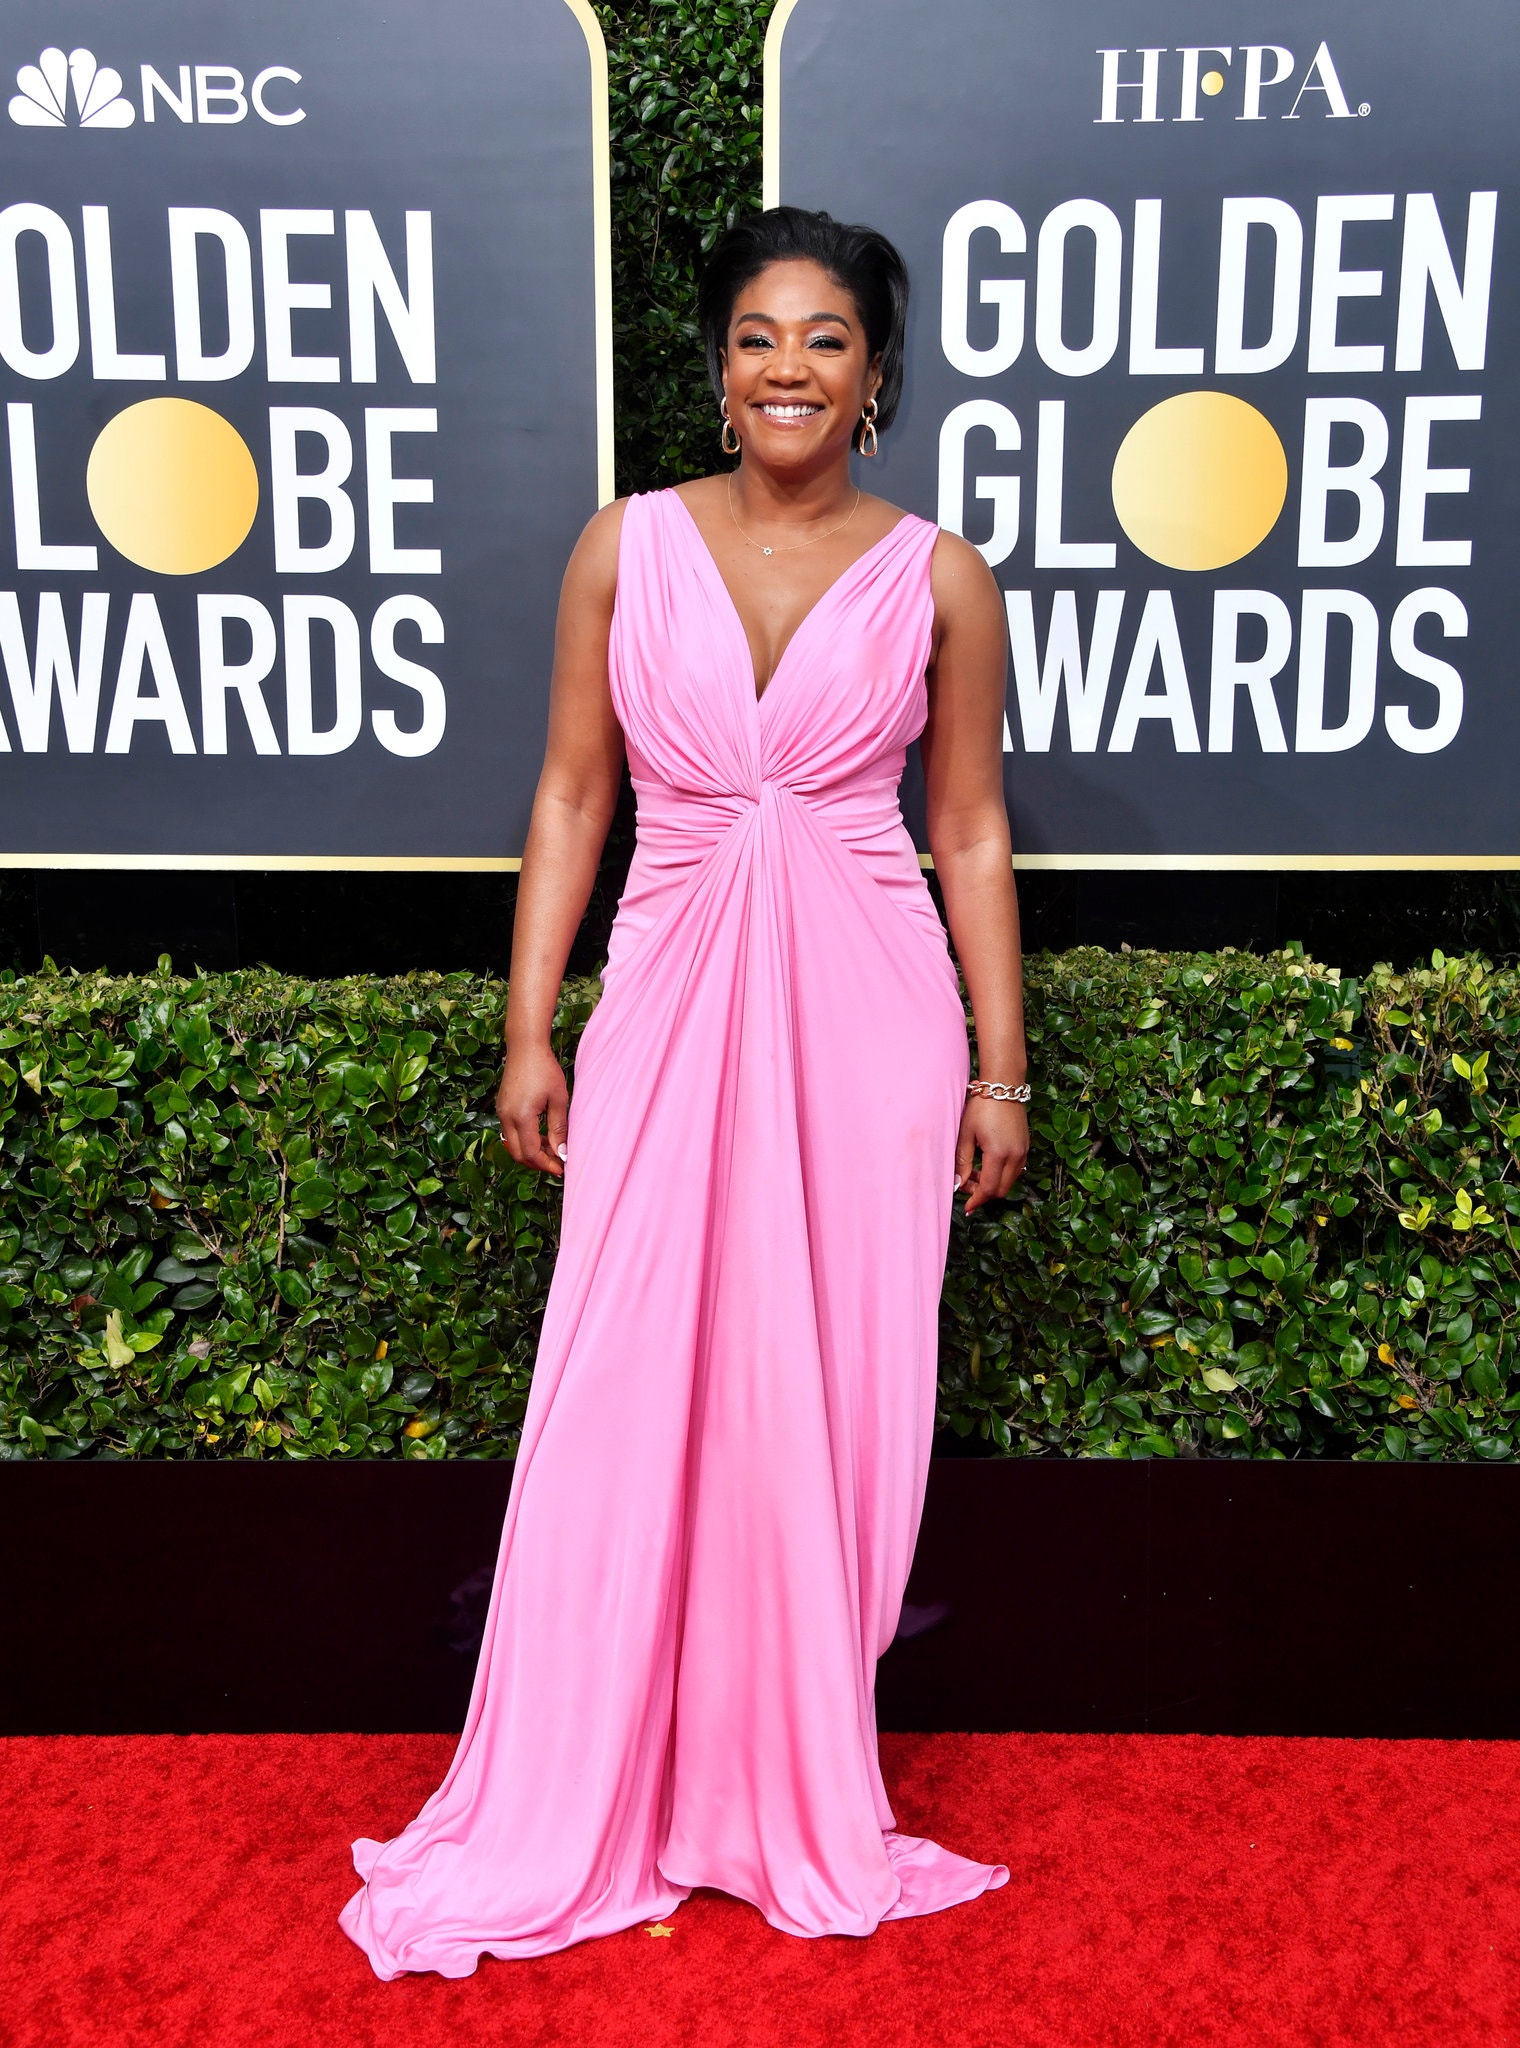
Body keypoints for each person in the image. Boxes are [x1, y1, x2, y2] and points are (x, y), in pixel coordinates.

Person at [340, 205, 1029, 1977]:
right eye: (756, 338)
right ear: (719, 369)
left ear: (875, 375)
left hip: (872, 1014)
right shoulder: (624, 547)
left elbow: (966, 828)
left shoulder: (941, 576)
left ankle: (779, 1778)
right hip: (664, 995)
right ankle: (608, 1776)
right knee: (629, 1381)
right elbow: (574, 794)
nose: (789, 368)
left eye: (826, 339)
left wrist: (1001, 1067)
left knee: (836, 1398)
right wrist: (530, 1027)